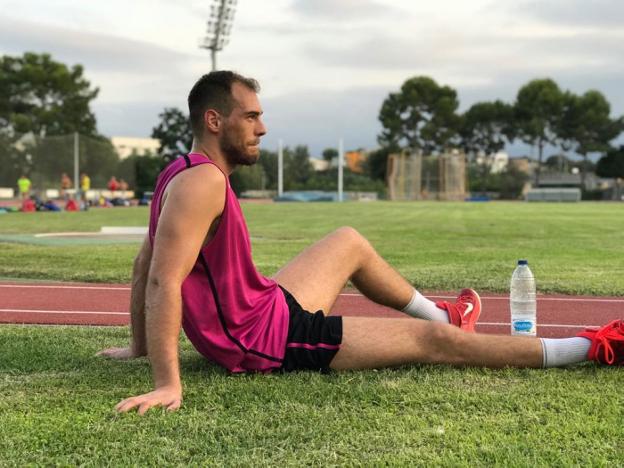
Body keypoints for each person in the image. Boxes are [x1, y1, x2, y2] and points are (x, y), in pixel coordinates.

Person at [98, 71, 624, 415]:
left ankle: (442, 314)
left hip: (263, 305)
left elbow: (144, 259)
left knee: (348, 240)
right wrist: (167, 381)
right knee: (429, 347)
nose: (263, 127)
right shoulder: (203, 183)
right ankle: (591, 346)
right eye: (251, 116)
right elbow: (164, 278)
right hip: (257, 340)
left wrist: (139, 346)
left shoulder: (181, 172)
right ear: (215, 120)